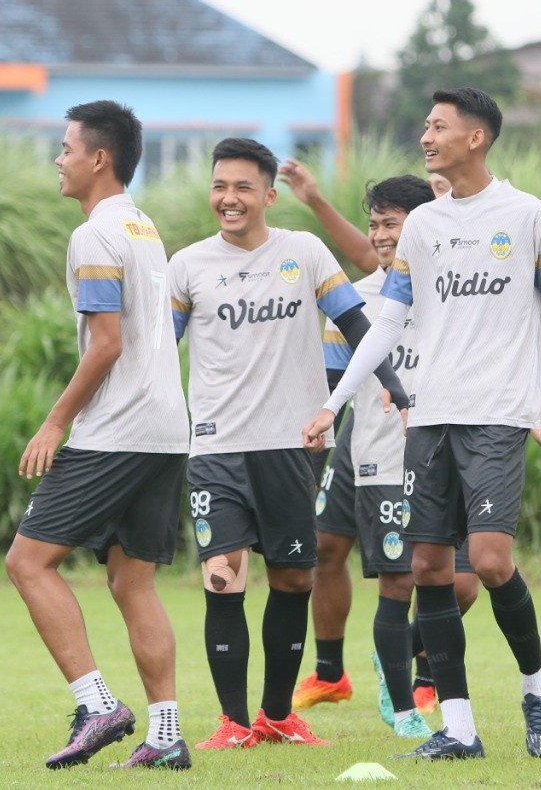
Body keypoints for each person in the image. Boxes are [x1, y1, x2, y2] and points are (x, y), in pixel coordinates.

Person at [304, 87, 541, 761]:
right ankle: (458, 726)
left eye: (438, 127)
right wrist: (334, 401)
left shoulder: (530, 215)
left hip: (496, 415)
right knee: (429, 566)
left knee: (489, 560)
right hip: (427, 420)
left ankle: (536, 687)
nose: (425, 136)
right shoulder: (425, 226)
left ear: (477, 138)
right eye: (424, 126)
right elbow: (389, 321)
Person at [168, 137, 409, 750]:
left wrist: (397, 391)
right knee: (221, 577)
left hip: (293, 446)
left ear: (268, 195)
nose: (229, 198)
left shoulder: (302, 252)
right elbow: (158, 356)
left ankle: (276, 715)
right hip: (216, 447)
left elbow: (358, 324)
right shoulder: (189, 266)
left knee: (293, 581)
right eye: (220, 186)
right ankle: (231, 721)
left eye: (243, 187)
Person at [5, 100, 192, 771]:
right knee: (131, 580)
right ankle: (166, 733)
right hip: (168, 429)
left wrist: (55, 420)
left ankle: (97, 704)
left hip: (118, 429)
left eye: (65, 147)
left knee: (28, 563)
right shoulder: (143, 226)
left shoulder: (93, 235)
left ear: (98, 158)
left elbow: (106, 343)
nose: (58, 158)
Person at [276, 161, 483, 733]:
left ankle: (404, 658)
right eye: (377, 225)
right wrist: (315, 430)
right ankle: (400, 706)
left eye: (393, 223)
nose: (382, 236)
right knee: (394, 579)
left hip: (454, 451)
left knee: (464, 579)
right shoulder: (356, 303)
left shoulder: (456, 286)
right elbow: (329, 384)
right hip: (381, 459)